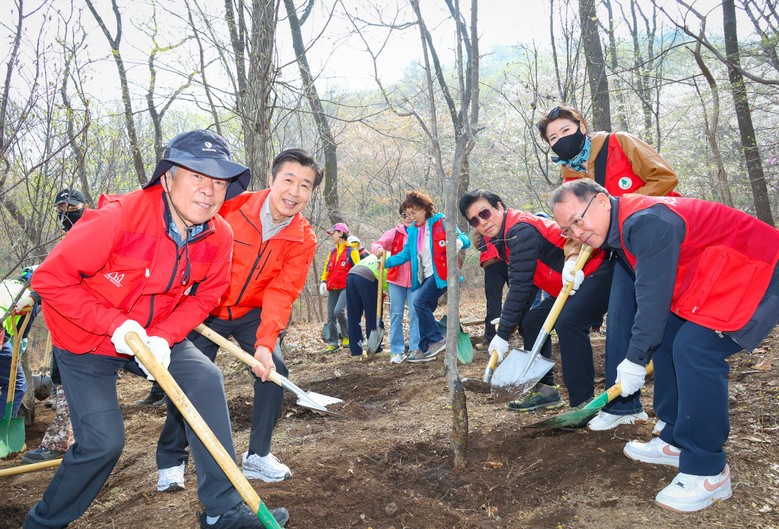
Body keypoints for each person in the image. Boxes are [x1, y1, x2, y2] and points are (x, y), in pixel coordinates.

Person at [25, 129, 289, 529]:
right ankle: (43, 523)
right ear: (167, 177)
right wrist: (113, 325)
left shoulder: (220, 235)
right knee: (103, 443)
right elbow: (49, 280)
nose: (208, 190)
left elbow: (208, 296)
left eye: (218, 181)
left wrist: (164, 337)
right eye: (196, 176)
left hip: (153, 333)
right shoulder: (118, 219)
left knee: (204, 378)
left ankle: (221, 509)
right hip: (85, 337)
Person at [551, 179, 778, 513]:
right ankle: (674, 437)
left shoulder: (645, 222)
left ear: (600, 201)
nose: (577, 231)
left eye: (578, 219)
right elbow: (655, 304)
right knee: (671, 335)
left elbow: (652, 302)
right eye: (568, 229)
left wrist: (634, 359)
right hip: (720, 273)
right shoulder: (621, 226)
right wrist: (640, 352)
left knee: (695, 348)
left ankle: (708, 468)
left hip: (758, 267)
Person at [156, 148, 320, 489]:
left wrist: (265, 343)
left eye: (305, 185)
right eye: (288, 180)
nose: (294, 192)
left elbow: (282, 291)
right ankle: (172, 459)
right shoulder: (231, 205)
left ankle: (257, 456)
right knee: (192, 378)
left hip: (251, 312)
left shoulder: (303, 238)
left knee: (273, 372)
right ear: (272, 180)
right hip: (206, 308)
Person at [537, 103, 679, 430]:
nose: (560, 140)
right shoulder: (570, 174)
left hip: (658, 236)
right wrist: (572, 260)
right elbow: (573, 223)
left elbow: (666, 177)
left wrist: (621, 209)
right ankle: (622, 407)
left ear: (582, 125)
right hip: (620, 250)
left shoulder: (620, 143)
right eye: (553, 138)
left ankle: (674, 415)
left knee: (668, 325)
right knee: (618, 318)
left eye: (565, 131)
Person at [459, 189, 611, 410]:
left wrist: (502, 336)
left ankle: (583, 401)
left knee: (568, 323)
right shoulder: (505, 237)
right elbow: (529, 284)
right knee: (531, 322)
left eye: (485, 213)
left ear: (499, 206)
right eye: (474, 221)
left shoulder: (520, 231)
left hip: (594, 273)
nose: (482, 222)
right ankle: (546, 391)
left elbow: (519, 286)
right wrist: (510, 321)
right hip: (566, 288)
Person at [20, 191, 88, 463]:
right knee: (62, 379)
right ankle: (77, 439)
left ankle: (60, 444)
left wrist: (42, 290)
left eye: (72, 206)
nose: (66, 211)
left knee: (69, 382)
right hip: (64, 322)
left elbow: (73, 273)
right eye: (61, 207)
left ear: (84, 206)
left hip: (81, 323)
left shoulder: (88, 233)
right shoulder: (67, 236)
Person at [378, 191, 470, 363]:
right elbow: (406, 254)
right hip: (425, 276)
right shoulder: (413, 231)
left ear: (425, 208)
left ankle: (436, 339)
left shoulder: (441, 222)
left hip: (442, 274)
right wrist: (386, 263)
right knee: (421, 310)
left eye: (414, 213)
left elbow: (465, 239)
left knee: (418, 302)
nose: (412, 217)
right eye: (408, 214)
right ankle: (423, 348)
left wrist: (456, 243)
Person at [371, 207, 420, 364]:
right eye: (404, 215)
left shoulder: (420, 231)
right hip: (396, 279)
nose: (407, 218)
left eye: (411, 214)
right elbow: (377, 244)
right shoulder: (395, 232)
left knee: (415, 313)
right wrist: (378, 249)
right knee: (396, 315)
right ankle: (397, 350)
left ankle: (415, 348)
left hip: (415, 279)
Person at [319, 223, 360, 352]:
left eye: (334, 233)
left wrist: (355, 287)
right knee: (331, 315)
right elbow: (327, 268)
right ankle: (333, 342)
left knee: (338, 311)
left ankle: (346, 336)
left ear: (341, 233)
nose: (332, 236)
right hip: (332, 287)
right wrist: (323, 281)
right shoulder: (332, 251)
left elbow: (357, 269)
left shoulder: (351, 251)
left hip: (346, 287)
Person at [344, 253, 385, 360]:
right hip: (368, 277)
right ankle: (375, 350)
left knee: (353, 314)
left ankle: (356, 352)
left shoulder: (380, 251)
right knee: (373, 313)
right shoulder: (396, 257)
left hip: (351, 275)